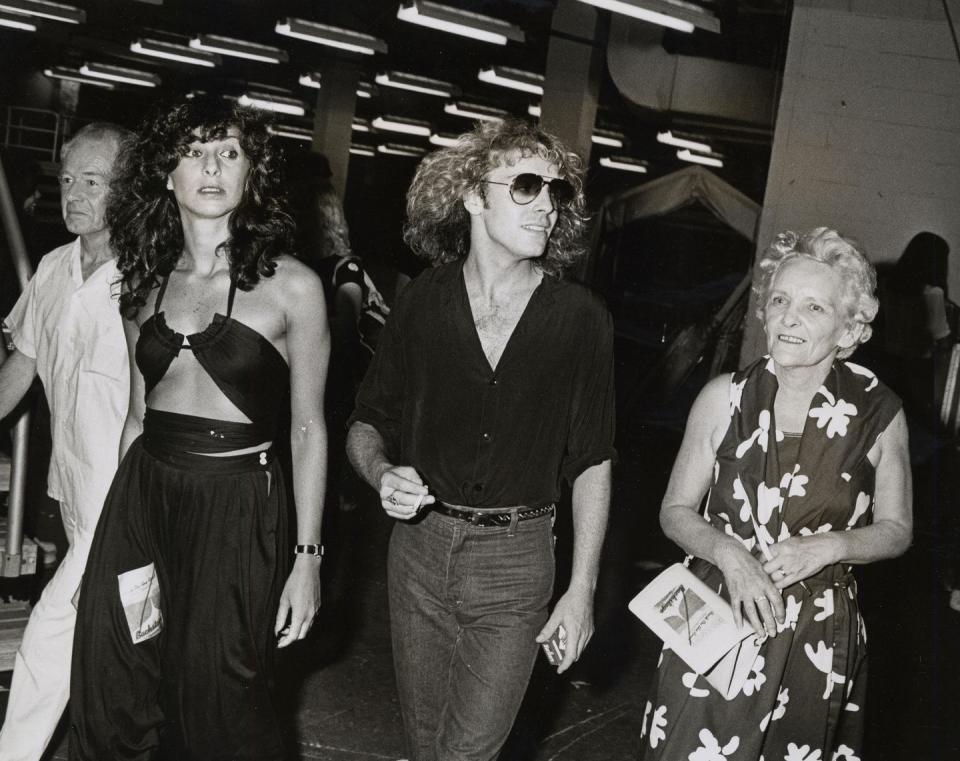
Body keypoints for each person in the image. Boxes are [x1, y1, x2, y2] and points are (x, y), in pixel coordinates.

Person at [346, 118, 616, 761]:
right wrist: (382, 473)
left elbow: (593, 460)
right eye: (526, 186)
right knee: (426, 745)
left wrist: (580, 593)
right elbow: (365, 422)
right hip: (418, 554)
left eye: (556, 192)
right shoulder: (419, 304)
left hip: (517, 561)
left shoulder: (580, 319)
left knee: (468, 750)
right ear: (473, 196)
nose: (547, 205)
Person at [68, 97, 329, 760]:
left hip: (237, 504)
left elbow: (307, 429)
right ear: (167, 173)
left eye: (230, 152)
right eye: (195, 151)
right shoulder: (144, 284)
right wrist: (105, 544)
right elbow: (135, 419)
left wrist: (307, 559)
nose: (212, 166)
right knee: (118, 683)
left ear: (250, 175)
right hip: (144, 497)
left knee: (221, 698)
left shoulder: (292, 287)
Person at [640, 228, 912, 761]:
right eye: (781, 300)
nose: (789, 317)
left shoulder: (880, 414)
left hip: (816, 630)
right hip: (714, 610)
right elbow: (674, 511)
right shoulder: (722, 399)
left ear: (849, 329)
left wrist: (831, 546)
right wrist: (728, 554)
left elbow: (898, 530)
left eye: (814, 307)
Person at [0, 121, 131, 761]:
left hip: (134, 506)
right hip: (78, 504)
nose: (72, 195)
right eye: (66, 181)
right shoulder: (53, 269)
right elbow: (19, 371)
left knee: (52, 638)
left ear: (129, 190)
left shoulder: (154, 276)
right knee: (111, 652)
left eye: (93, 182)